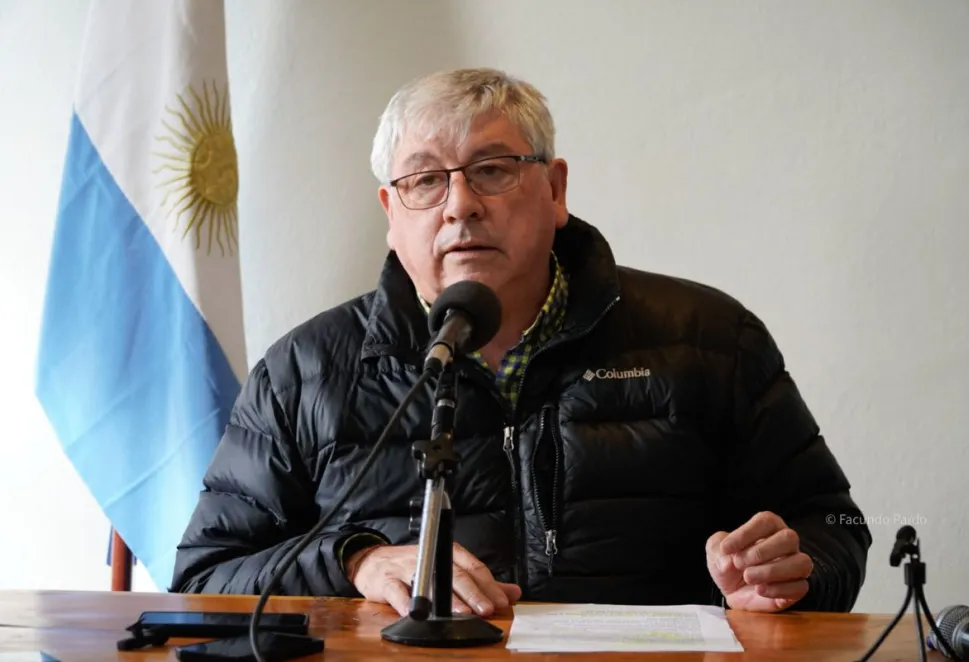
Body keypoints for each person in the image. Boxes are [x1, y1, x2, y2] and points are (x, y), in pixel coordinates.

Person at [170, 67, 872, 617]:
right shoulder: (304, 373)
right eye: (424, 180)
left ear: (555, 189)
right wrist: (353, 561)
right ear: (391, 212)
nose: (460, 204)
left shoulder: (709, 339)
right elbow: (203, 577)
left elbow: (835, 518)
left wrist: (791, 568)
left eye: (493, 169)